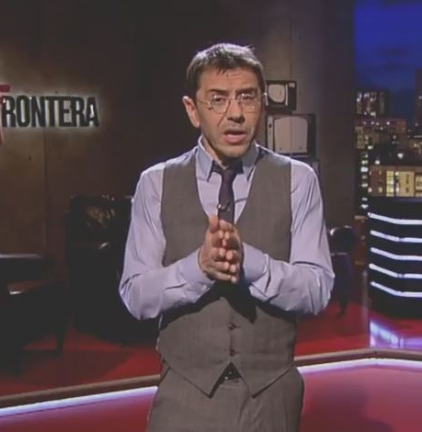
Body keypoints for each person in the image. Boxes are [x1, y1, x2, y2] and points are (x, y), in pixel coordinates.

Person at [118, 43, 334, 432]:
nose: (235, 113)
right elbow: (136, 295)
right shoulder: (155, 183)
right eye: (217, 99)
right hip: (184, 397)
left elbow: (316, 289)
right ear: (192, 110)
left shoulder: (298, 180)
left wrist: (250, 264)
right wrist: (199, 268)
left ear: (262, 103)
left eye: (247, 97)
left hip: (271, 398)